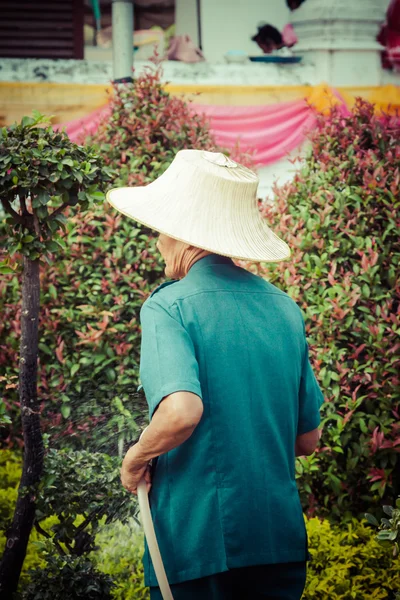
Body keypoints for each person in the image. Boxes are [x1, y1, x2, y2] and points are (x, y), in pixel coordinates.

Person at [107, 150, 324, 600]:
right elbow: (308, 440)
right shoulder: (285, 308)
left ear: (186, 234)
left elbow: (181, 411)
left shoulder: (168, 305)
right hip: (277, 540)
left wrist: (135, 458)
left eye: (162, 229)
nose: (158, 241)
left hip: (198, 540)